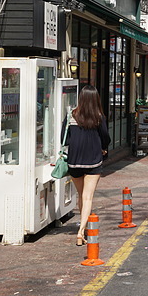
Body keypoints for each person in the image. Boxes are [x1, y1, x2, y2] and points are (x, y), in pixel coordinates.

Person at [63, 84, 110, 247]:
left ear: (81, 98)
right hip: (93, 160)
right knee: (88, 196)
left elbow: (65, 137)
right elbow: (105, 137)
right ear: (96, 99)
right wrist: (104, 148)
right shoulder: (98, 117)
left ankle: (84, 228)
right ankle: (81, 231)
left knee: (81, 195)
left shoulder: (72, 115)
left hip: (74, 161)